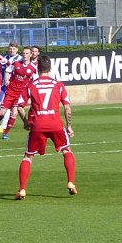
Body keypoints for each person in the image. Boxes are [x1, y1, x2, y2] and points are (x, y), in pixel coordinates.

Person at [14, 55, 77, 200]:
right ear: (50, 68)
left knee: (28, 157)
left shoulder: (31, 85)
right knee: (67, 150)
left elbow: (19, 107)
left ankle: (22, 189)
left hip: (37, 125)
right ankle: (71, 182)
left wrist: (25, 122)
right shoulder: (58, 85)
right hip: (55, 124)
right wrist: (69, 126)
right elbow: (67, 107)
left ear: (37, 68)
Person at [0, 46, 37, 140]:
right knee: (1, 113)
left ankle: (5, 133)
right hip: (11, 91)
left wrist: (31, 94)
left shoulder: (33, 68)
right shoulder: (16, 63)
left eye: (27, 53)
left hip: (21, 93)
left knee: (14, 113)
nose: (25, 55)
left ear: (30, 55)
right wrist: (6, 79)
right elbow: (7, 70)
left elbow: (35, 81)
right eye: (23, 53)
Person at [0, 41, 22, 106]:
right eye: (10, 49)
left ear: (17, 49)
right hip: (5, 84)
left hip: (15, 85)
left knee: (14, 105)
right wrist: (2, 80)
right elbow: (1, 71)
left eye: (13, 49)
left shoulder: (20, 59)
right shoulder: (5, 58)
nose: (12, 50)